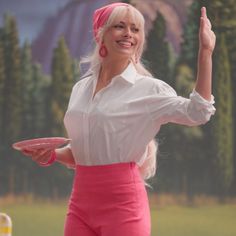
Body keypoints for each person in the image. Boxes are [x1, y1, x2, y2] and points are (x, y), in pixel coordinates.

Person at [21, 2, 216, 236]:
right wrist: (51, 154)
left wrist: (205, 53)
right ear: (100, 34)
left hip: (123, 206)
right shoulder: (81, 88)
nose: (128, 34)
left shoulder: (148, 89)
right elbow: (84, 150)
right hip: (80, 204)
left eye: (135, 29)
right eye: (120, 26)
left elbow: (199, 112)